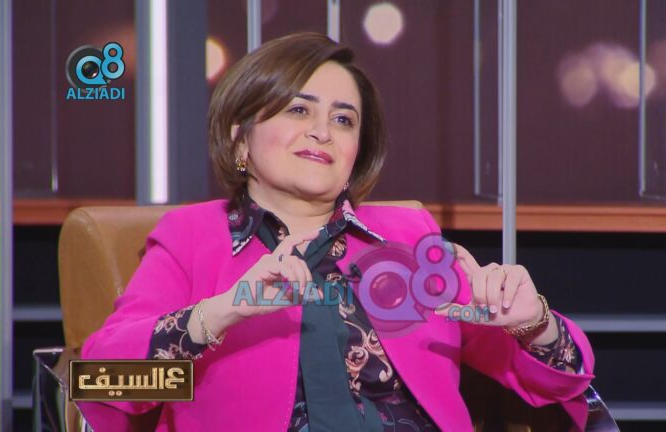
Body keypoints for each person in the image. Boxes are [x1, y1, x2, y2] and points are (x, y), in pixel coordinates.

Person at [79, 32, 594, 431]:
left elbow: (555, 380)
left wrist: (534, 325)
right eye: (299, 109)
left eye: (344, 120)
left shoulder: (408, 236)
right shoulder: (191, 237)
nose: (322, 132)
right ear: (240, 139)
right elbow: (105, 380)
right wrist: (224, 310)